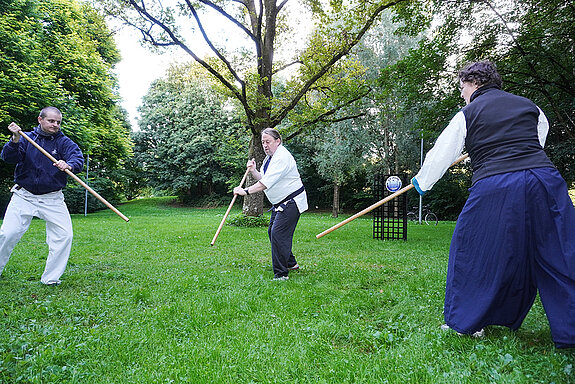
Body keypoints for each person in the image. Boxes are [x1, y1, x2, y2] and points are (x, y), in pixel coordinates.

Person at [411, 61, 575, 349]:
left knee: (474, 249)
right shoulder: (530, 106)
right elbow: (538, 139)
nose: (461, 94)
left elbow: (441, 154)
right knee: (560, 253)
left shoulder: (468, 113)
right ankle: (570, 330)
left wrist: (422, 183)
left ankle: (468, 323)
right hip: (544, 180)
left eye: (461, 88)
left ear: (473, 83)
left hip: (496, 184)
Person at [0, 107, 84, 286]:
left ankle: (51, 279)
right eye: (51, 121)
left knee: (64, 235)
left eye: (58, 122)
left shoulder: (64, 142)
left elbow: (77, 158)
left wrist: (68, 164)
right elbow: (8, 157)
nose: (55, 125)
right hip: (24, 195)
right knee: (7, 233)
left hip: (52, 198)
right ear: (40, 119)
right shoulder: (26, 138)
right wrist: (15, 139)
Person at [234, 128, 308, 281]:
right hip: (280, 203)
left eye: (268, 141)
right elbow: (264, 177)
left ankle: (281, 274)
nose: (265, 145)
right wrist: (254, 170)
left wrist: (245, 191)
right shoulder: (270, 158)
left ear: (278, 141)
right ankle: (290, 263)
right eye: (263, 142)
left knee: (278, 233)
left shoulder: (282, 157)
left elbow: (265, 184)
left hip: (291, 202)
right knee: (273, 233)